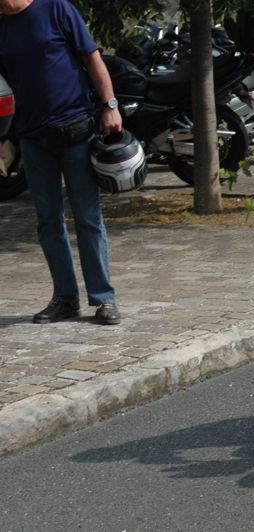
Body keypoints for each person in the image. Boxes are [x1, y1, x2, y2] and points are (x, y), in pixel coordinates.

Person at [0, 0, 123, 324]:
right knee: (48, 222)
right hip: (31, 137)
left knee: (88, 217)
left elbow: (92, 58)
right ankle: (65, 299)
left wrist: (110, 105)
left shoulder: (56, 8)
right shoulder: (2, 25)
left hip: (75, 130)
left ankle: (104, 299)